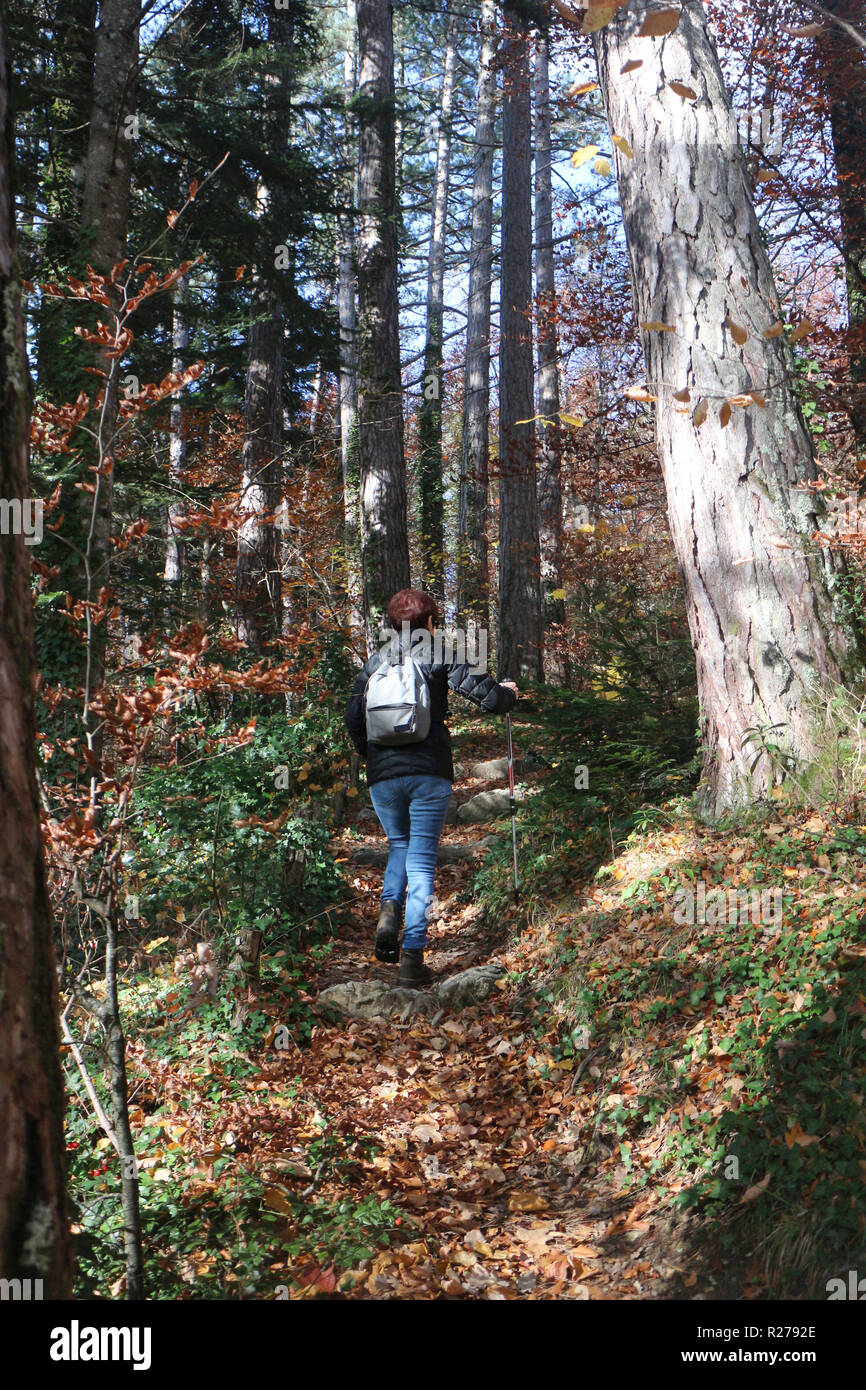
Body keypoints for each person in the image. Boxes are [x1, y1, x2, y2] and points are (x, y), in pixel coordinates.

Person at [344, 589, 518, 987]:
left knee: (399, 847)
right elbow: (487, 698)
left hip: (383, 777)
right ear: (429, 621)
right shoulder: (439, 651)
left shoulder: (375, 662)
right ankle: (411, 958)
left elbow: (353, 716)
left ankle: (390, 911)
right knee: (421, 860)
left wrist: (371, 756)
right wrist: (508, 695)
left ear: (393, 623)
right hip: (428, 771)